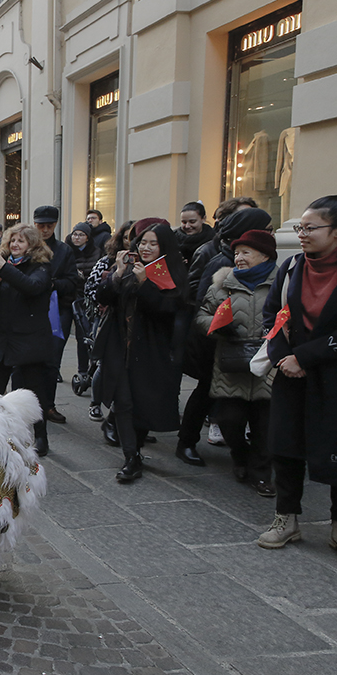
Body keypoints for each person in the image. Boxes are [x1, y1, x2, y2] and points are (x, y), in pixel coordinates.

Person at [256, 192, 337, 566]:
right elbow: (273, 316)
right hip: (291, 375)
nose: (302, 233)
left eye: (311, 228)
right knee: (286, 446)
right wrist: (284, 358)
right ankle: (286, 517)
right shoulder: (292, 267)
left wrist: (305, 356)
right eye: (300, 227)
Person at [177, 207, 273, 466]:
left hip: (237, 341)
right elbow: (199, 297)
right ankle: (186, 442)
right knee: (206, 391)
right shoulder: (220, 258)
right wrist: (222, 323)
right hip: (214, 341)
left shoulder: (230, 253)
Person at [94, 219, 187, 482]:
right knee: (122, 402)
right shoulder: (127, 266)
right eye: (143, 242)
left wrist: (145, 283)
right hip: (119, 346)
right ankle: (131, 457)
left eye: (153, 244)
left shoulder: (171, 271)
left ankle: (137, 445)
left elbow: (168, 309)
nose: (146, 248)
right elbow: (103, 297)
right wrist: (118, 274)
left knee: (142, 403)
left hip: (150, 351)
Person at [195, 230, 278, 496]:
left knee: (265, 426)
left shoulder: (281, 284)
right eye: (237, 253)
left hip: (267, 365)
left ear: (265, 255)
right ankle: (240, 456)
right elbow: (201, 316)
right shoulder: (222, 283)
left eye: (246, 252)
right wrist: (219, 326)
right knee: (229, 420)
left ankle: (261, 474)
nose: (239, 258)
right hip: (232, 365)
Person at [0, 224, 54, 456]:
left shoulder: (39, 267)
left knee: (35, 391)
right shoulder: (4, 267)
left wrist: (5, 269)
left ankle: (40, 435)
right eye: (12, 241)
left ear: (32, 245)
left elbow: (32, 287)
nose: (15, 245)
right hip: (2, 339)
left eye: (21, 241)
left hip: (28, 341)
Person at [34, 205, 82, 425]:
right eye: (40, 225)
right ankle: (30, 404)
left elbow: (72, 281)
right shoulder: (26, 246)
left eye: (49, 226)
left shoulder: (64, 250)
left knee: (52, 360)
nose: (44, 230)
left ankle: (49, 405)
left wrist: (52, 284)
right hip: (31, 310)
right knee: (28, 361)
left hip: (57, 310)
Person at [82, 222, 133, 429]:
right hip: (108, 319)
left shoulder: (145, 263)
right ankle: (96, 402)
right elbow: (92, 289)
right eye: (128, 237)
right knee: (103, 364)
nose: (131, 241)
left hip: (132, 324)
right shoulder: (107, 261)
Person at [67, 222, 101, 392]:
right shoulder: (67, 250)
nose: (76, 238)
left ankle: (84, 370)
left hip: (86, 299)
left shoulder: (95, 252)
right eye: (75, 234)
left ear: (87, 237)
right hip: (69, 296)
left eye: (80, 235)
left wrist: (82, 278)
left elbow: (96, 275)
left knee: (83, 335)